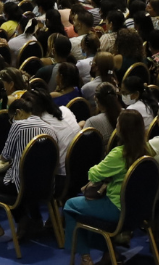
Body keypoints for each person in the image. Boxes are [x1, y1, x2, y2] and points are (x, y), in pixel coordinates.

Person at [0, 93, 78, 241]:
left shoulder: (18, 125)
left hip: (20, 187)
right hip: (46, 186)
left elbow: (5, 157)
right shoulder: (49, 128)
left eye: (12, 119)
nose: (12, 122)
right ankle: (27, 220)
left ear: (18, 113)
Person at [61, 110, 150, 265]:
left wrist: (102, 167)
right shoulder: (147, 149)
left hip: (117, 208)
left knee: (70, 206)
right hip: (139, 209)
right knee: (88, 209)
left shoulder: (119, 153)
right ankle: (109, 252)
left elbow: (93, 175)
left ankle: (85, 257)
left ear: (122, 129)